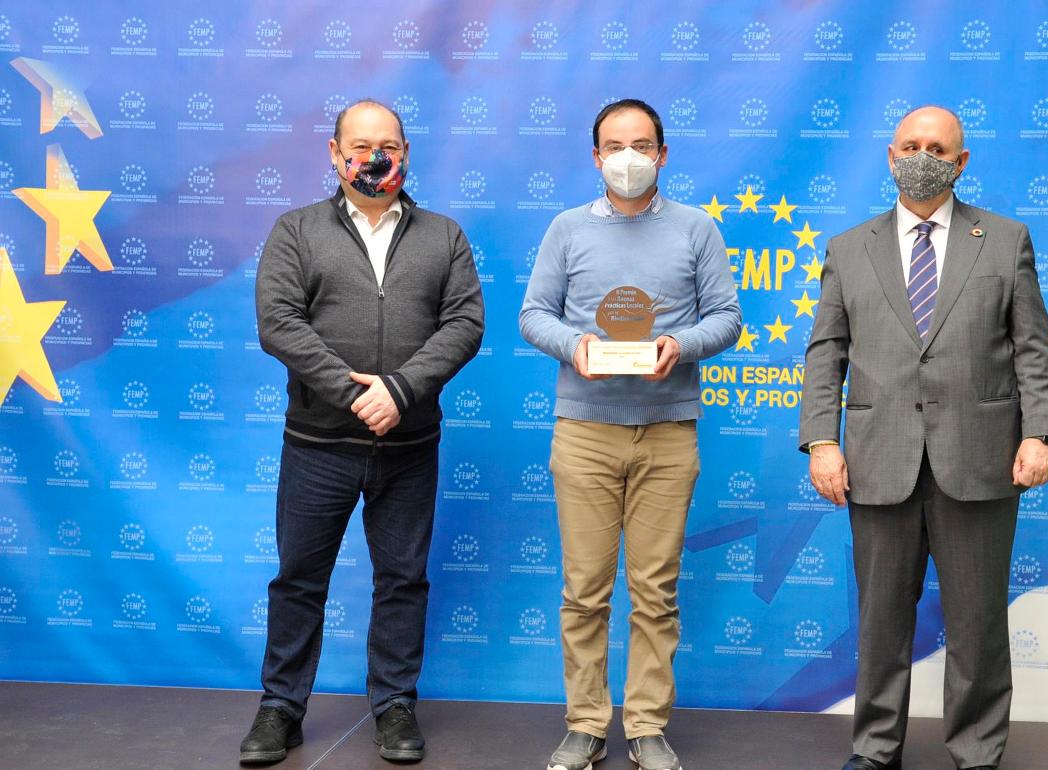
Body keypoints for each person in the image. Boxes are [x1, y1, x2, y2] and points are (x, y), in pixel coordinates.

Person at [799, 105, 1048, 770]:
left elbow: (1032, 348)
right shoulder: (848, 247)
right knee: (881, 624)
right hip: (877, 461)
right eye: (911, 146)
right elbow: (824, 353)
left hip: (980, 461)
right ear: (891, 157)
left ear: (960, 162)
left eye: (937, 148)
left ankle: (976, 752)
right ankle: (875, 747)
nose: (923, 156)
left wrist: (1043, 436)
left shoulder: (1004, 241)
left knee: (977, 626)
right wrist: (821, 442)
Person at [241, 98, 484, 764]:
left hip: (410, 448)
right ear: (333, 151)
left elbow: (464, 325)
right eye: (361, 144)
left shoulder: (444, 236)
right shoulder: (295, 231)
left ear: (407, 152)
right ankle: (280, 708)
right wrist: (357, 395)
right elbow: (279, 324)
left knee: (403, 579)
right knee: (298, 579)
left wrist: (401, 392)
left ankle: (396, 704)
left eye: (390, 145)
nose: (375, 156)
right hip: (317, 446)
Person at [519, 98, 741, 770]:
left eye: (642, 145)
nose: (628, 158)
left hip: (668, 432)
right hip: (585, 429)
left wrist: (679, 342)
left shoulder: (696, 230)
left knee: (656, 590)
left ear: (663, 154)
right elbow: (533, 314)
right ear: (595, 157)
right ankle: (585, 724)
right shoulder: (566, 229)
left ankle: (645, 725)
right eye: (614, 146)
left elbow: (727, 318)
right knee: (584, 590)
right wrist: (575, 344)